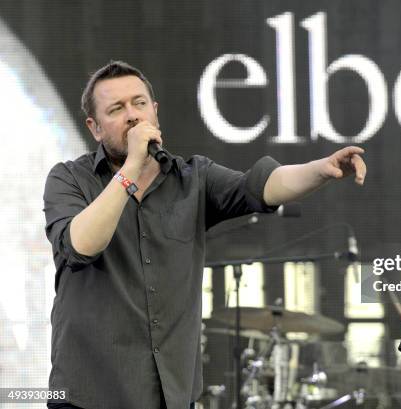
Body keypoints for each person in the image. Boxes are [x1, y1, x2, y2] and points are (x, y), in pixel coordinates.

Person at [43, 61, 367, 409]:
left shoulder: (193, 178)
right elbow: (81, 244)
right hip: (89, 397)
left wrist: (321, 169)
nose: (132, 116)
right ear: (94, 128)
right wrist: (131, 169)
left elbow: (261, 187)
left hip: (169, 396)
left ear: (155, 111)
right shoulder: (69, 180)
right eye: (116, 109)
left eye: (139, 103)